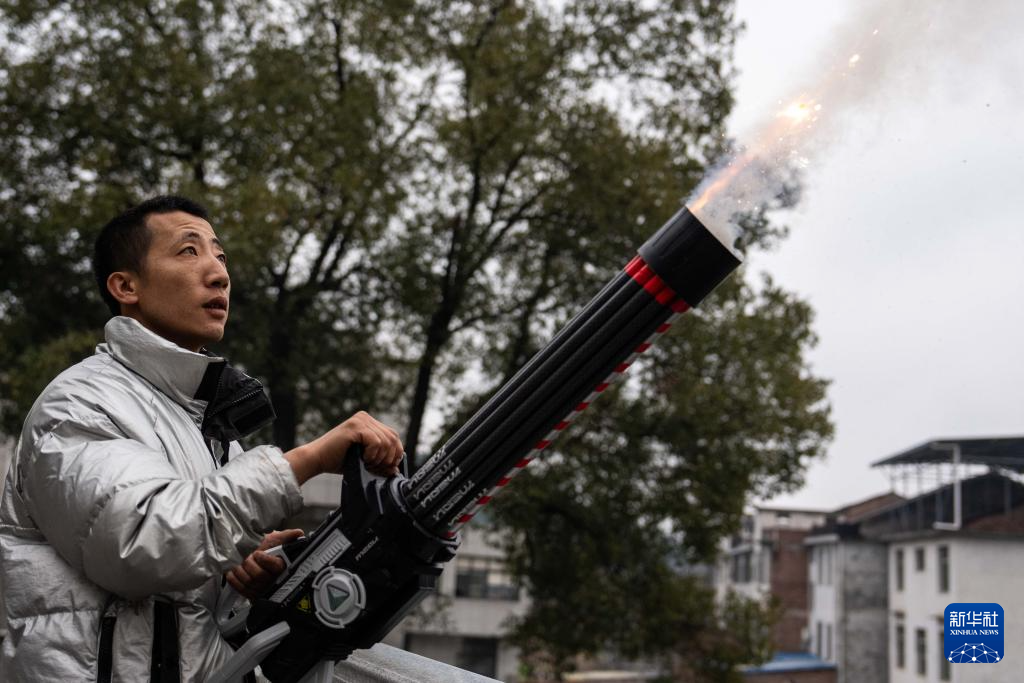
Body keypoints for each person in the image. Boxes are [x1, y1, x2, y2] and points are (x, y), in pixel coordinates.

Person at [0, 195, 404, 681]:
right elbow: (142, 544)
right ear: (126, 286)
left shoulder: (206, 427)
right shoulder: (80, 403)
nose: (218, 273)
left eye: (220, 255)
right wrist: (307, 459)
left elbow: (180, 587)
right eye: (189, 252)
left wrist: (239, 567)